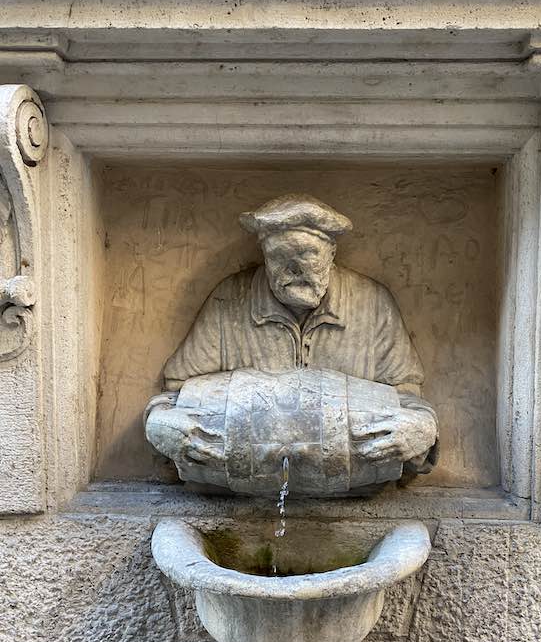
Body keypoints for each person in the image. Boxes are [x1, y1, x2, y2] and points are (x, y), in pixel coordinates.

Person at [155, 194, 438, 475]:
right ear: (264, 257)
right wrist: (161, 423)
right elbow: (177, 395)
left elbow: (407, 398)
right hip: (243, 492)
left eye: (307, 254)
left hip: (354, 490)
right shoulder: (228, 301)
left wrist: (421, 429)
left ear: (331, 254)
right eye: (279, 256)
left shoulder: (372, 304)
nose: (295, 268)